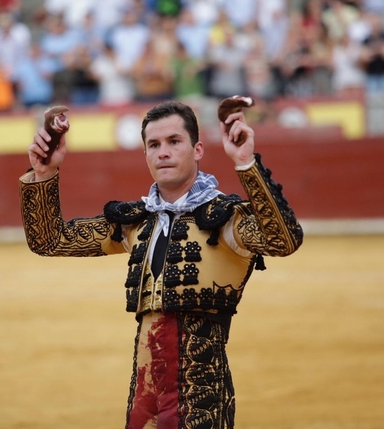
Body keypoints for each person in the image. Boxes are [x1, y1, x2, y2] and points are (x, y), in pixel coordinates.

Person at [19, 99, 303, 428]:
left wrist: (245, 164)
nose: (162, 152)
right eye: (153, 144)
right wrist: (44, 173)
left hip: (202, 401)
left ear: (197, 150)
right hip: (144, 401)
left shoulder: (225, 221)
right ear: (145, 155)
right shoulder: (137, 223)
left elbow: (284, 240)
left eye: (173, 142)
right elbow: (50, 240)